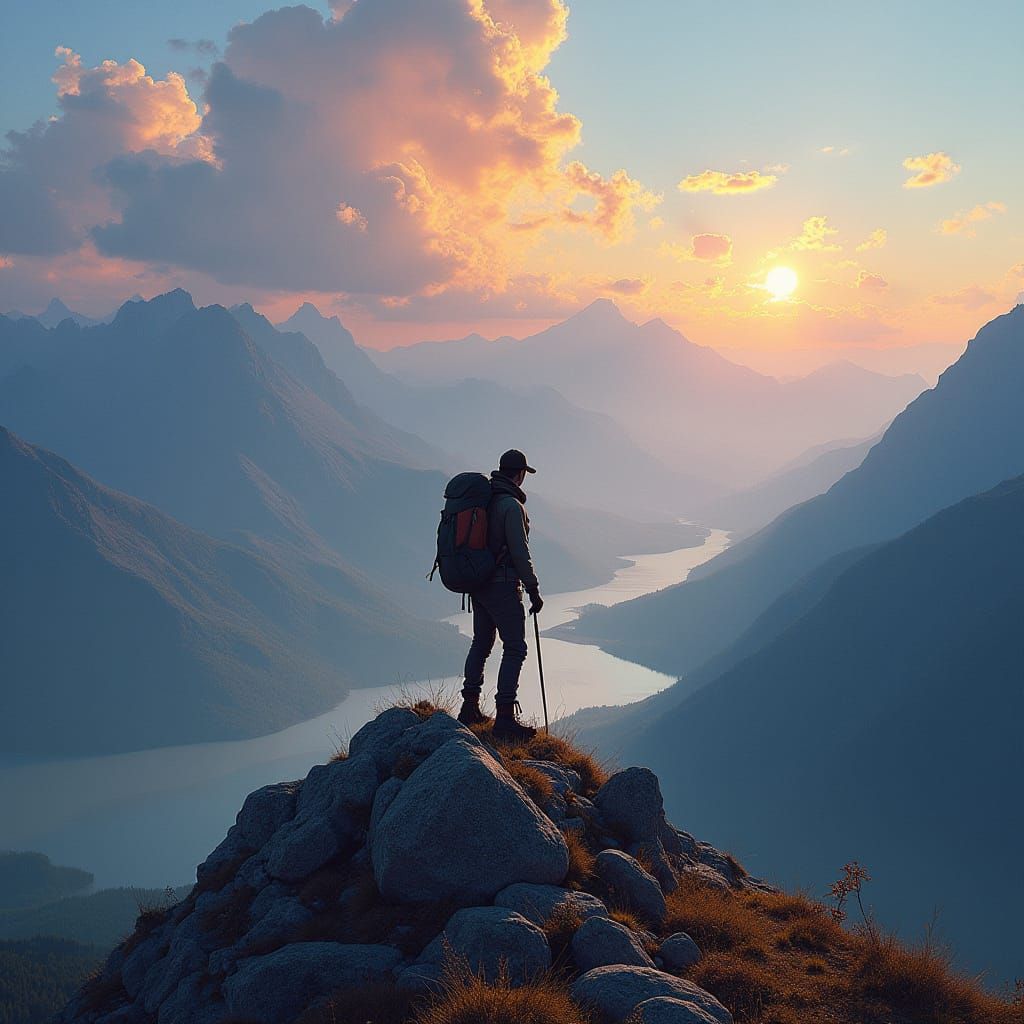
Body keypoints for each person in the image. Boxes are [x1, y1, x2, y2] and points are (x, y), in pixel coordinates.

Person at [457, 449, 544, 741]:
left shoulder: (485, 500)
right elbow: (520, 551)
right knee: (515, 647)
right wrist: (533, 588)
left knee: (481, 643)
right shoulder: (510, 506)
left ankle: (469, 706)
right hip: (503, 585)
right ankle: (504, 717)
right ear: (519, 474)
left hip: (478, 584)